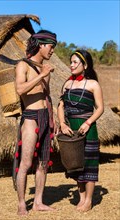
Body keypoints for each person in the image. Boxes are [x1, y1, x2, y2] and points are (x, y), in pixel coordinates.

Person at [13, 30, 57, 216]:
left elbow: (47, 96)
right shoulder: (22, 65)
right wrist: (41, 75)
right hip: (30, 117)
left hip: (45, 115)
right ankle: (22, 203)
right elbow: (20, 89)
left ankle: (38, 202)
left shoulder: (45, 68)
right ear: (41, 45)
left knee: (43, 163)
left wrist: (53, 120)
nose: (52, 51)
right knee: (26, 162)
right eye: (51, 46)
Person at [57, 49, 104, 212]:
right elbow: (61, 106)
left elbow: (100, 108)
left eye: (75, 62)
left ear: (85, 65)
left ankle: (89, 200)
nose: (71, 65)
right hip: (71, 129)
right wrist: (62, 123)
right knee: (75, 162)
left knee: (89, 164)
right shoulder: (67, 84)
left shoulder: (93, 84)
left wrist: (88, 122)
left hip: (88, 129)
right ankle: (81, 197)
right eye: (71, 62)